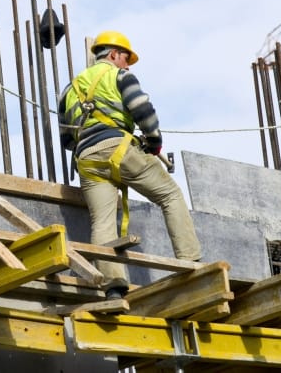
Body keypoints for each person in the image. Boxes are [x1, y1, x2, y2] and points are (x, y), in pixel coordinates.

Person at [59, 31, 201, 298]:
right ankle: (191, 263)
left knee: (101, 221)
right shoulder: (120, 76)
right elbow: (143, 110)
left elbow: (67, 139)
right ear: (113, 54)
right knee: (170, 195)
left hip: (87, 160)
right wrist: (154, 142)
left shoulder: (69, 90)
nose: (127, 65)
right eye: (125, 58)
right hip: (120, 149)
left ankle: (113, 287)